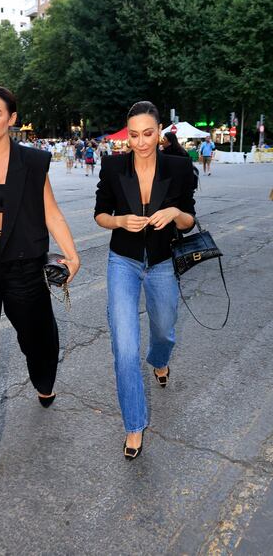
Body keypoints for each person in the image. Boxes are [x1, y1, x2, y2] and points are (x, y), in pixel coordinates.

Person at [0, 86, 80, 496]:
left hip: (24, 264)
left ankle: (44, 378)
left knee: (36, 337)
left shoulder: (32, 162)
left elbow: (51, 211)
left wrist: (72, 256)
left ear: (11, 119)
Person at [94, 101, 195, 460]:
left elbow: (189, 221)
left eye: (147, 133)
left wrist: (175, 212)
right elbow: (100, 214)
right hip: (122, 261)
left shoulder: (179, 167)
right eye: (133, 135)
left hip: (163, 261)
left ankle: (160, 358)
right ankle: (134, 425)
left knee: (165, 329)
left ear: (159, 131)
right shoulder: (112, 165)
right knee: (124, 347)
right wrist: (120, 221)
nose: (140, 142)